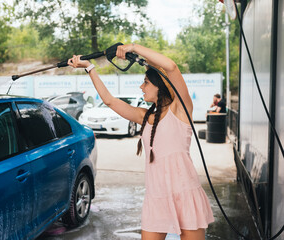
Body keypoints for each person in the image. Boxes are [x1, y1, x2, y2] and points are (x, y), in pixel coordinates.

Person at [67, 43, 214, 240]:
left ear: (159, 86)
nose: (141, 87)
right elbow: (109, 100)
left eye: (146, 82)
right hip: (156, 196)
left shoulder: (181, 109)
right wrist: (89, 68)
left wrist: (134, 48)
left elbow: (171, 67)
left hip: (185, 191)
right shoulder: (143, 116)